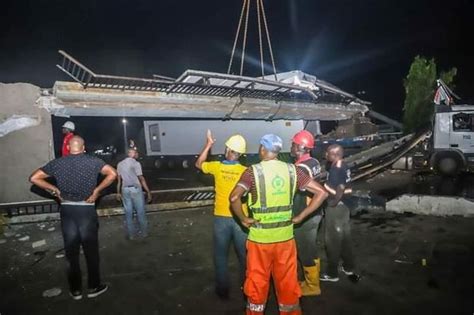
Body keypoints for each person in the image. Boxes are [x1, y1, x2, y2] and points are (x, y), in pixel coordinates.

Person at [230, 134, 328, 315]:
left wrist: (244, 218)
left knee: (257, 283)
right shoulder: (293, 170)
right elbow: (321, 192)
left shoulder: (252, 172)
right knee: (287, 283)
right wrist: (301, 216)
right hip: (285, 239)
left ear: (262, 149)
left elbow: (234, 197)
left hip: (259, 241)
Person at [29, 136, 117, 300]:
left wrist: (55, 190)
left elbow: (34, 178)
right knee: (91, 251)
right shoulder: (93, 161)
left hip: (67, 210)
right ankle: (93, 287)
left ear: (69, 148)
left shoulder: (58, 163)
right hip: (86, 210)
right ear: (83, 147)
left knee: (71, 252)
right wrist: (96, 192)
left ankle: (75, 290)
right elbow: (112, 174)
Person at [195, 130, 248, 299]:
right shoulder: (246, 171)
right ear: (240, 154)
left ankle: (222, 290)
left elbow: (199, 163)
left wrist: (209, 144)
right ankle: (247, 288)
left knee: (220, 255)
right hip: (241, 219)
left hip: (221, 219)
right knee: (245, 256)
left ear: (227, 150)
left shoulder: (217, 167)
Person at [290, 130, 323, 296]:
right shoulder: (314, 161)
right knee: (310, 247)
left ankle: (312, 286)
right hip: (316, 212)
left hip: (306, 215)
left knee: (305, 250)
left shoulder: (300, 168)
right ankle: (312, 281)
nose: (291, 146)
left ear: (301, 147)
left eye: (294, 144)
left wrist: (300, 216)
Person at [320, 144, 356, 282]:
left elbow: (340, 187)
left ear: (335, 155)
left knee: (332, 241)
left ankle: (332, 273)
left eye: (328, 153)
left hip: (337, 207)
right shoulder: (343, 165)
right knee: (345, 238)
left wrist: (333, 203)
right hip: (345, 206)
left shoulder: (336, 168)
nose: (325, 154)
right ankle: (349, 267)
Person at [116, 148, 152, 240]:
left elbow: (119, 181)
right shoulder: (136, 164)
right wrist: (148, 191)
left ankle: (131, 235)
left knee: (128, 213)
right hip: (135, 189)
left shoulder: (120, 164)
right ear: (131, 153)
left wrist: (118, 192)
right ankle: (144, 233)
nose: (137, 154)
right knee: (140, 212)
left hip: (125, 189)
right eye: (136, 152)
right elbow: (141, 178)